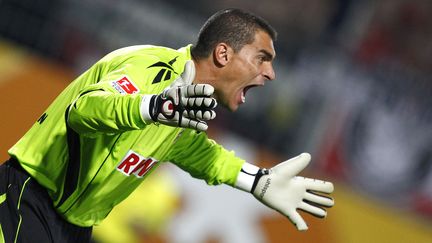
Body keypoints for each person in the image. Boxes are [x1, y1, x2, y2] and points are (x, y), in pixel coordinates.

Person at [0, 8, 334, 242]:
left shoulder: (184, 107)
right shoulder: (148, 68)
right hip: (27, 198)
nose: (271, 73)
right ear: (223, 54)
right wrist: (152, 106)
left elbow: (199, 153)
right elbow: (85, 110)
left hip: (74, 227)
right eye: (262, 59)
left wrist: (256, 181)